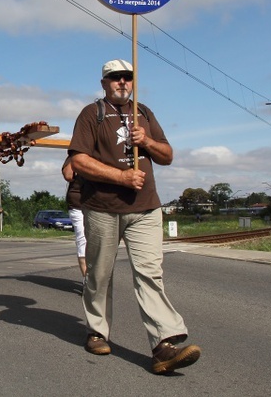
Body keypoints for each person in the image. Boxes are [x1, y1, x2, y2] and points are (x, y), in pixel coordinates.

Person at [68, 59, 201, 374]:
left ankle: (163, 344)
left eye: (128, 77)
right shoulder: (91, 114)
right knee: (100, 274)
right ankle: (98, 331)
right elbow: (79, 161)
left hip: (145, 207)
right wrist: (121, 178)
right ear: (104, 83)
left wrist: (148, 141)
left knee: (150, 274)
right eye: (115, 78)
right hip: (102, 207)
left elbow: (167, 155)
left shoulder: (145, 113)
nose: (123, 82)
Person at [62, 155, 87, 289]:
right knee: (82, 241)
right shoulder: (74, 155)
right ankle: (87, 280)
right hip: (78, 205)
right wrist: (75, 154)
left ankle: (98, 279)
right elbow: (68, 175)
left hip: (99, 204)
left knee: (100, 243)